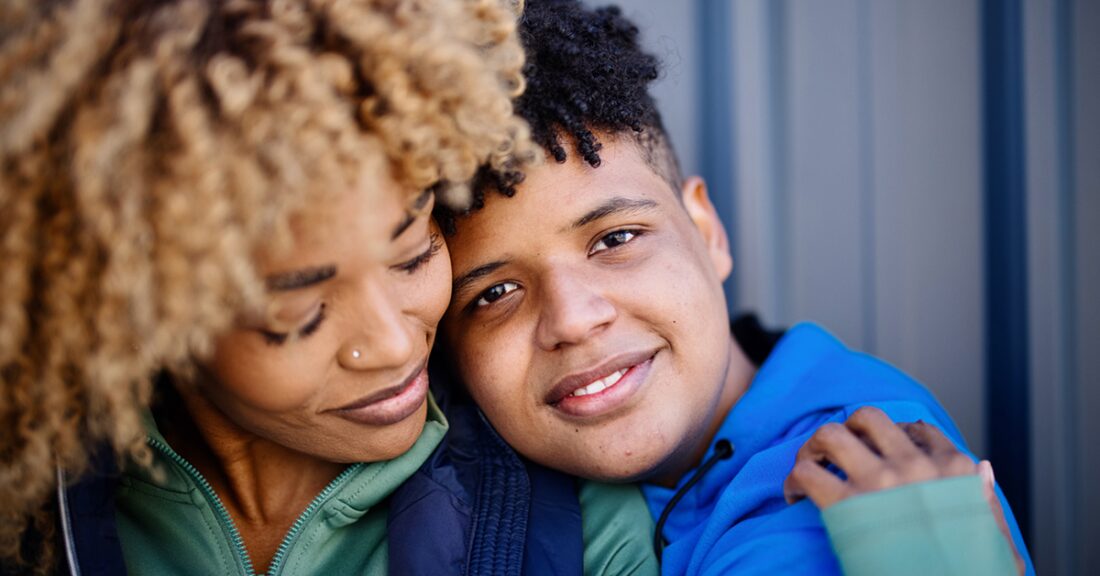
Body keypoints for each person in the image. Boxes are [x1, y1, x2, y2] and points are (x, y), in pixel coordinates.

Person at [0, 1, 657, 574]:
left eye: (412, 255)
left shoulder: (576, 528)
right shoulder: (31, 512)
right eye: (300, 314)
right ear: (142, 305)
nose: (396, 344)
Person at [436, 0, 1033, 574]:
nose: (571, 318)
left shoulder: (853, 485)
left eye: (615, 240)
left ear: (707, 229)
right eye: (493, 294)